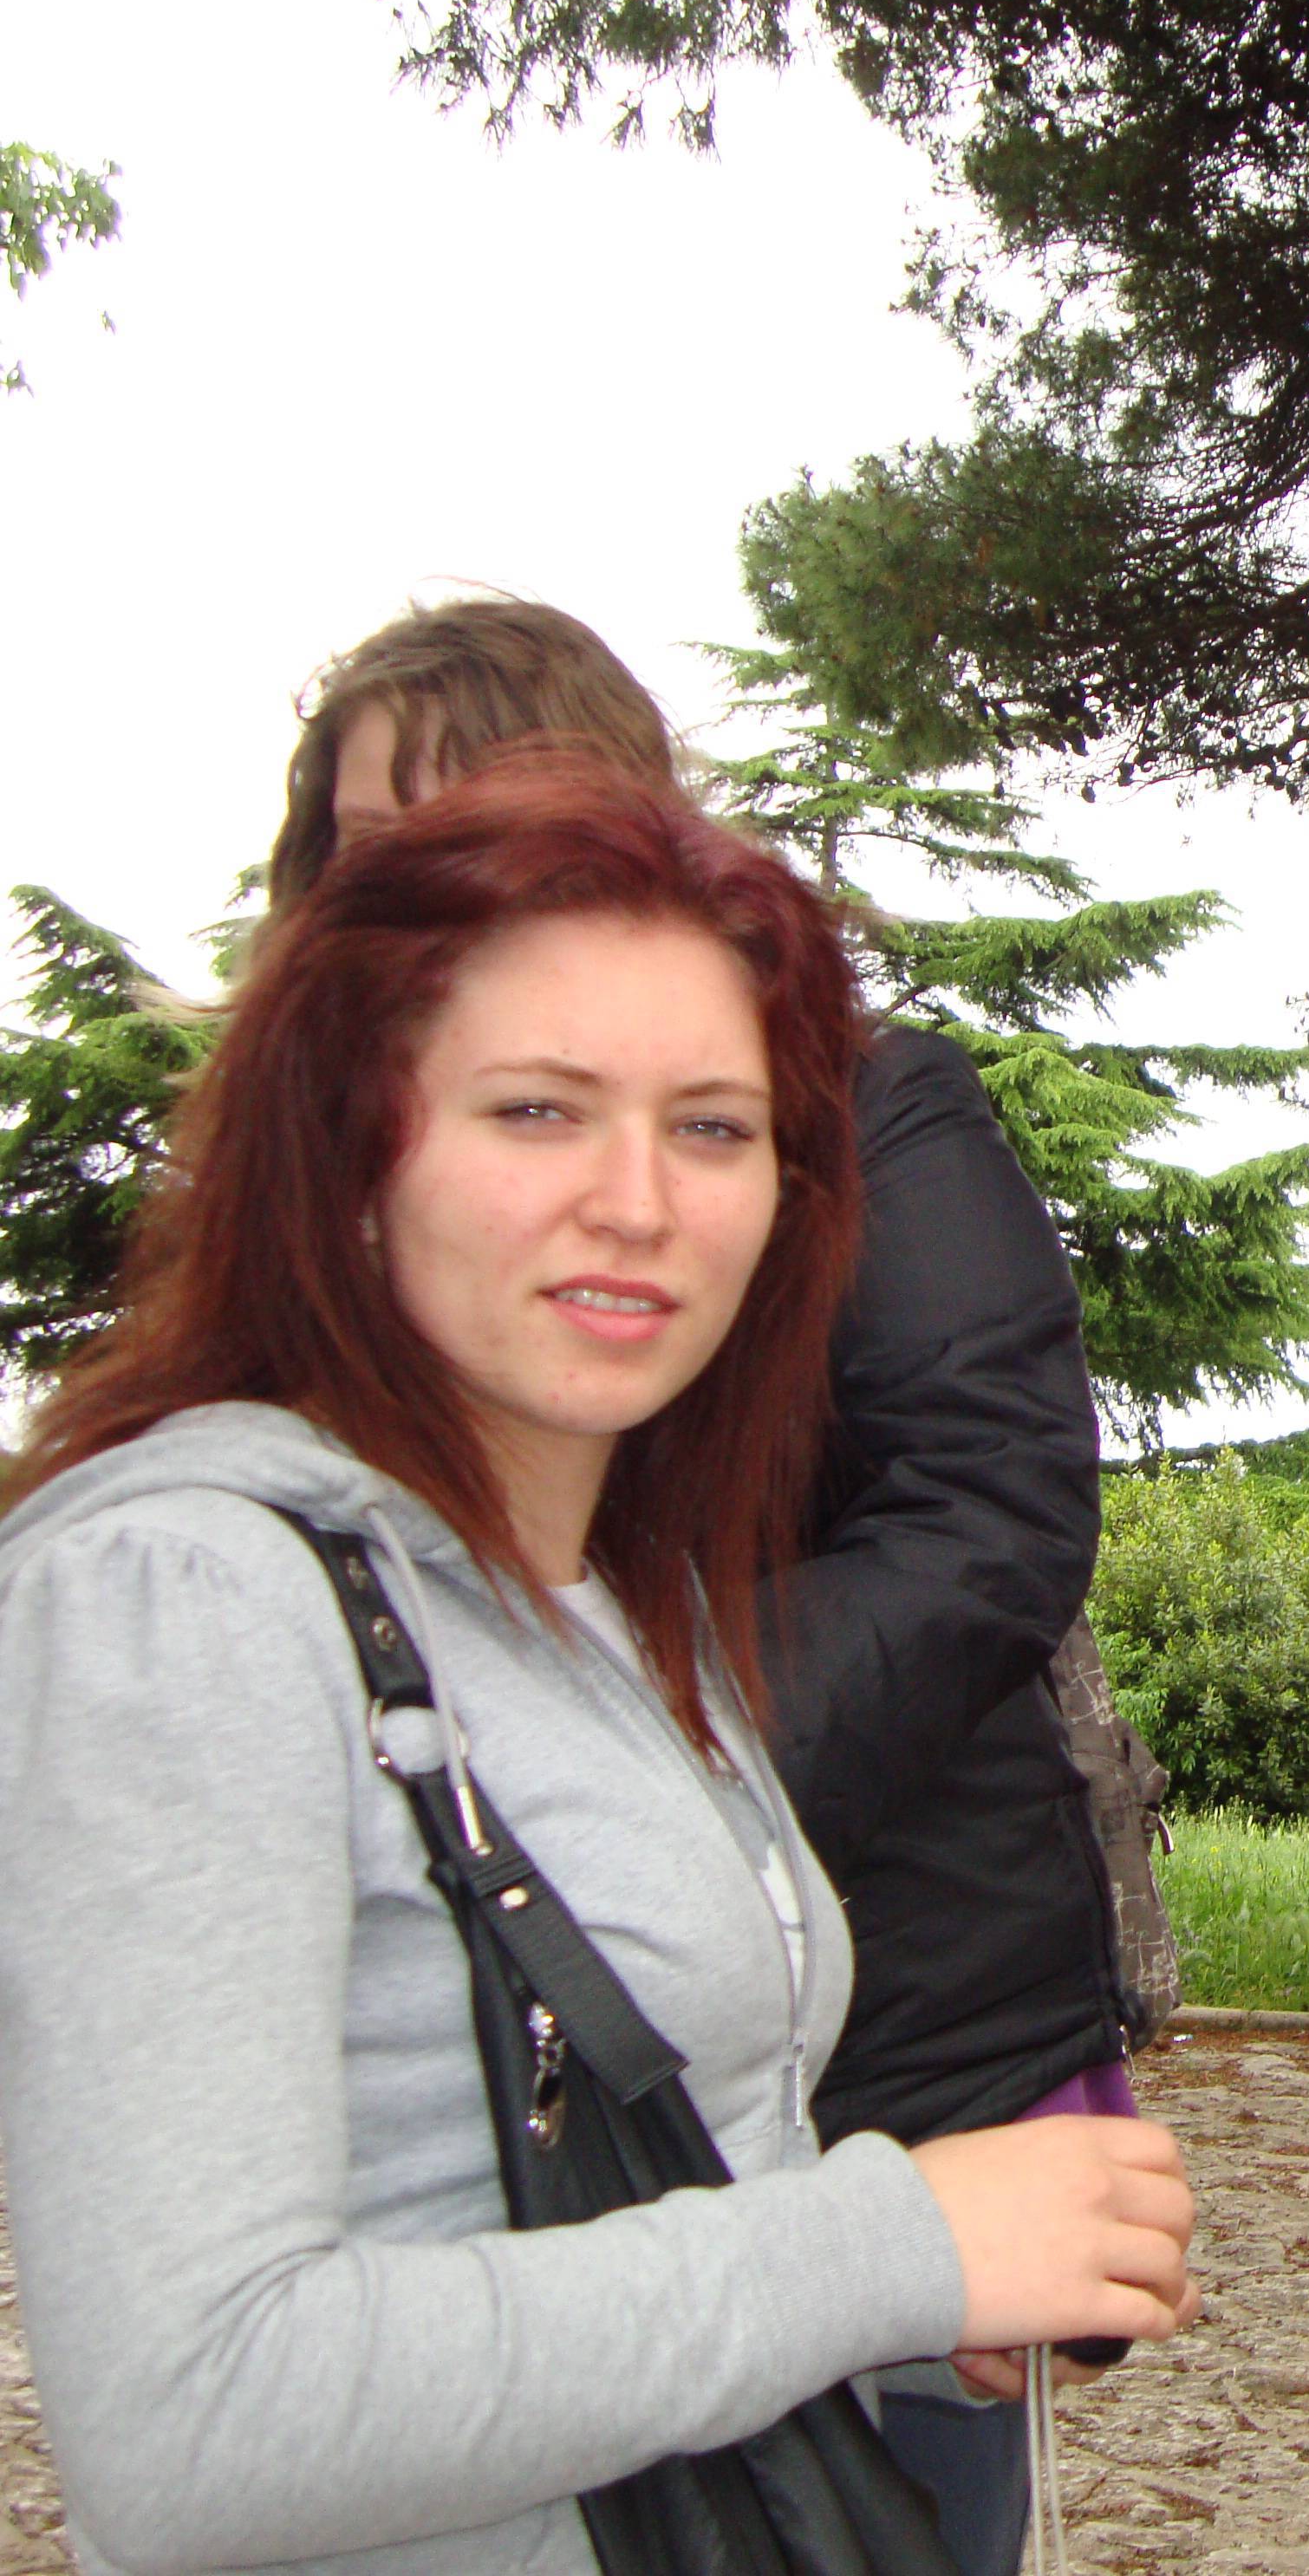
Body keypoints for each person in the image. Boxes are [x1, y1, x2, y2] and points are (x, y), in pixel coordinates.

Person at [0, 758, 1195, 2576]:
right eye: (539, 1111)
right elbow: (200, 2422)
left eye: (712, 1127)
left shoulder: (616, 1603)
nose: (638, 1200)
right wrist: (885, 2246)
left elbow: (550, 2199)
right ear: (348, 1153)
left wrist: (895, 2292)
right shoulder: (183, 1593)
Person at [272, 599, 1142, 2566]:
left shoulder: (872, 1111)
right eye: (375, 846)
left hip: (884, 2026)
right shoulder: (291, 1239)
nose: (426, 895)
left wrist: (613, 1789)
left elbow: (991, 1512)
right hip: (456, 2063)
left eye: (483, 823)